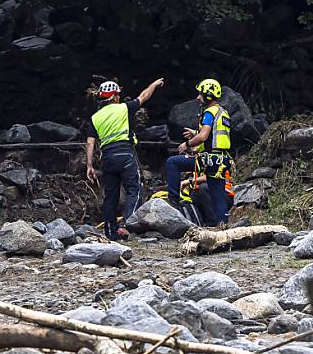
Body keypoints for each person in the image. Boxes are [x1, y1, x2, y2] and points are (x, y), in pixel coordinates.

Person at [85, 77, 164, 240]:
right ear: (114, 97)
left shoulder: (95, 118)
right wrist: (154, 85)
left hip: (107, 157)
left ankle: (110, 231)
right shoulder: (123, 108)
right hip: (125, 154)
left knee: (111, 196)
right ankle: (129, 225)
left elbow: (90, 142)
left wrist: (89, 165)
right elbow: (143, 96)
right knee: (134, 189)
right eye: (118, 95)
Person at [166, 78, 233, 226]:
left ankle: (174, 201)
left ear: (208, 95)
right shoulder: (222, 112)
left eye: (201, 94)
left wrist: (187, 144)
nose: (198, 98)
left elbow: (203, 137)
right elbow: (212, 135)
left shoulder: (209, 112)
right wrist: (195, 132)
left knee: (173, 163)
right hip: (221, 160)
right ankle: (222, 225)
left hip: (209, 159)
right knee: (217, 195)